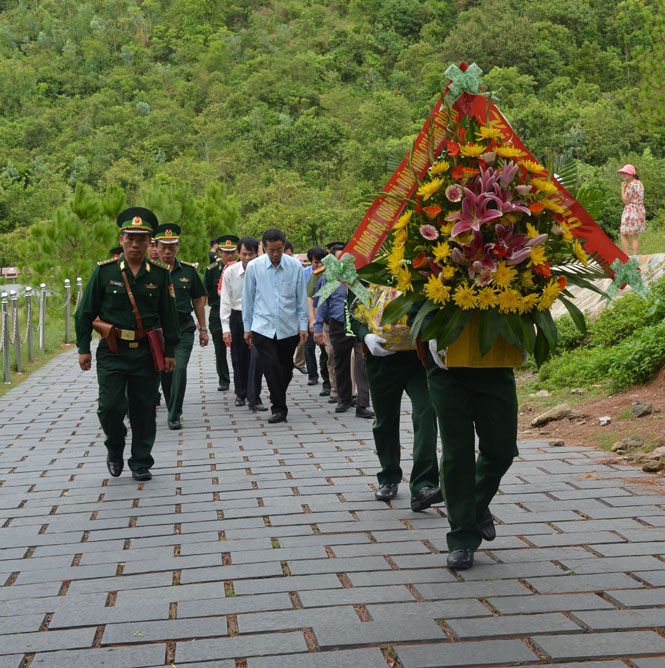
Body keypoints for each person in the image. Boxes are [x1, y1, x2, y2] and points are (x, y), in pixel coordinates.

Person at [75, 207, 180, 482]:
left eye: (142, 239)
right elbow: (85, 312)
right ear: (121, 238)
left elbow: (169, 317)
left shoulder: (159, 275)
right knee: (109, 406)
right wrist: (83, 348)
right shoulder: (104, 272)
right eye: (130, 238)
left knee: (143, 407)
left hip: (146, 352)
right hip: (113, 351)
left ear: (150, 243)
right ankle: (115, 446)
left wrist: (169, 352)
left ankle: (141, 461)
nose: (135, 244)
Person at [426, 340, 518, 571]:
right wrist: (433, 335)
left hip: (495, 364)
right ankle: (462, 537)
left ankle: (474, 505)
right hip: (447, 368)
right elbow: (415, 308)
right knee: (457, 452)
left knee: (502, 450)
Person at [349, 285, 441, 510]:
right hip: (382, 358)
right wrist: (366, 336)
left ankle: (424, 484)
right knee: (385, 420)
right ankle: (389, 476)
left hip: (418, 358)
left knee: (427, 412)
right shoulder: (364, 265)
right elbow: (353, 315)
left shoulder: (420, 261)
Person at [242, 228, 308, 424]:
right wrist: (247, 327)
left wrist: (303, 325)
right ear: (263, 247)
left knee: (285, 369)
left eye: (279, 249)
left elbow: (301, 299)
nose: (275, 254)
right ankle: (279, 408)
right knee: (271, 367)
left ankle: (278, 395)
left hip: (288, 327)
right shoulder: (254, 267)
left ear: (284, 245)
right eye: (271, 250)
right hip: (263, 327)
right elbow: (248, 299)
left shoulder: (295, 266)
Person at [155, 223, 209, 430]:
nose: (167, 251)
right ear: (156, 247)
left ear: (177, 247)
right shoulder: (149, 270)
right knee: (164, 373)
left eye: (172, 247)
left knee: (179, 367)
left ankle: (174, 413)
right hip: (158, 332)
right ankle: (172, 406)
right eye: (163, 247)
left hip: (183, 328)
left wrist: (203, 329)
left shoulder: (188, 271)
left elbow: (198, 300)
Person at [313, 249, 373, 419]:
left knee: (362, 363)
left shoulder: (361, 278)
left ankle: (363, 404)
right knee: (341, 362)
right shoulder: (329, 279)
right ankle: (344, 399)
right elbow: (322, 304)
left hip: (359, 325)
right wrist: (318, 328)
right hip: (338, 325)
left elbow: (370, 299)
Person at [220, 237, 266, 412]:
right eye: (244, 254)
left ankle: (255, 396)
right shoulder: (231, 272)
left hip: (258, 317)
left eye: (251, 254)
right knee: (238, 357)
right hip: (237, 317)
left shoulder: (263, 271)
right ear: (238, 254)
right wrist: (226, 328)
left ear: (257, 254)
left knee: (257, 357)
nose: (247, 258)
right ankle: (241, 393)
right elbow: (225, 301)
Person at [203, 234, 238, 392]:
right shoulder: (211, 271)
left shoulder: (240, 268)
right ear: (220, 252)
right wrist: (201, 319)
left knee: (238, 347)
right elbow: (204, 294)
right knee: (220, 347)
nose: (229, 255)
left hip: (236, 312)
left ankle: (240, 377)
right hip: (217, 312)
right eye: (225, 252)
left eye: (232, 252)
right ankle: (224, 379)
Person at [618, 164, 646, 256]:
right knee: (634, 236)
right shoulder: (640, 183)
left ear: (632, 174)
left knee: (623, 233)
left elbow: (625, 200)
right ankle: (635, 257)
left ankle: (627, 257)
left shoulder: (630, 185)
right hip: (640, 210)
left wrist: (622, 188)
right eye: (624, 173)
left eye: (626, 173)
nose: (624, 175)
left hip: (631, 210)